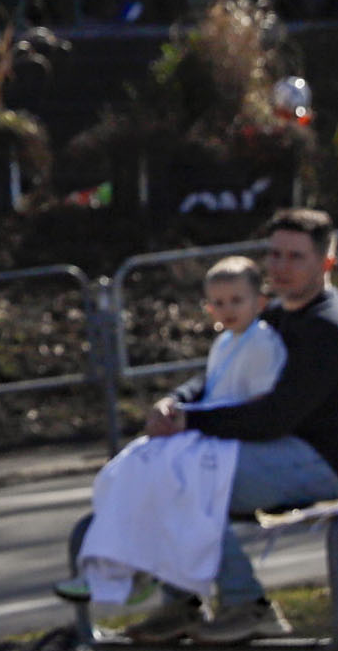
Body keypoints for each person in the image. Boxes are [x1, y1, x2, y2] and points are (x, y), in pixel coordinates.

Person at [132, 209, 338, 645]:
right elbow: (219, 375)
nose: (280, 266)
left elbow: (273, 418)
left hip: (319, 462)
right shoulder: (275, 314)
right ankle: (181, 604)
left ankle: (250, 607)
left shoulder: (328, 328)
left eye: (295, 257)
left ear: (326, 263)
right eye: (274, 254)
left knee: (193, 481)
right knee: (163, 472)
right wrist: (176, 402)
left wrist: (192, 420)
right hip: (275, 448)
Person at [67, 258, 285, 611]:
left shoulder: (262, 342)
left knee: (166, 480)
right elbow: (208, 389)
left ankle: (140, 574)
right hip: (211, 433)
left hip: (227, 440)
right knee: (128, 466)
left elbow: (256, 403)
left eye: (237, 300)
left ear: (259, 302)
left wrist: (197, 422)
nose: (227, 309)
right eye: (219, 302)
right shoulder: (225, 343)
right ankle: (116, 569)